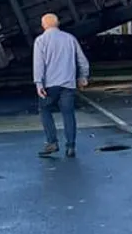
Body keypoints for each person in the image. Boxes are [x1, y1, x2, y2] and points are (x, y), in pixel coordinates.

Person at [33, 13, 90, 158]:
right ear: (57, 23)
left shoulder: (40, 41)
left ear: (43, 25)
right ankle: (70, 146)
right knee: (68, 114)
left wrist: (39, 83)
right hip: (68, 84)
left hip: (49, 85)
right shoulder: (70, 38)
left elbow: (38, 65)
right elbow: (82, 60)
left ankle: (52, 142)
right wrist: (83, 76)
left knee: (44, 110)